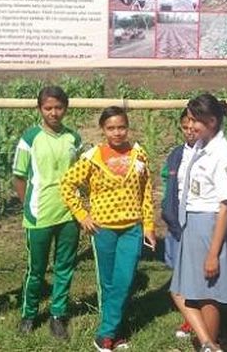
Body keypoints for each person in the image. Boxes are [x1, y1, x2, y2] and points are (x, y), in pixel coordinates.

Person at [60, 106, 156, 352]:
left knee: (124, 280)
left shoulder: (139, 155)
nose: (117, 133)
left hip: (131, 229)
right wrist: (82, 215)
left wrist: (149, 225)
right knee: (109, 282)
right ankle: (117, 331)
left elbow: (146, 192)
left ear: (128, 127)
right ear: (103, 130)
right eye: (111, 128)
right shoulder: (93, 157)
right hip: (103, 230)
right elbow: (67, 184)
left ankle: (104, 334)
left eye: (121, 127)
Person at [169, 93, 227, 352]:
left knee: (208, 294)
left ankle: (208, 344)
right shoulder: (201, 146)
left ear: (210, 121)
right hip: (194, 222)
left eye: (194, 121)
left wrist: (213, 253)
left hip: (210, 224)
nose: (190, 127)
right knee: (186, 290)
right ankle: (209, 344)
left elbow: (225, 206)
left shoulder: (222, 154)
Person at [12, 86, 81, 339]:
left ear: (66, 108)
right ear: (40, 109)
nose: (54, 112)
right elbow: (18, 176)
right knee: (36, 269)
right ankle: (29, 314)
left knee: (65, 266)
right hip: (39, 215)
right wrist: (27, 205)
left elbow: (80, 175)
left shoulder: (74, 138)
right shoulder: (30, 138)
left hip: (69, 215)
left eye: (59, 107)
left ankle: (57, 314)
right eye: (48, 108)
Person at [160, 108, 198, 340]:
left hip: (196, 222)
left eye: (194, 126)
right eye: (185, 127)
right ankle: (189, 316)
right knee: (178, 270)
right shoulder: (176, 154)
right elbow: (167, 181)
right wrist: (167, 208)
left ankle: (196, 319)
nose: (189, 131)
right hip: (175, 222)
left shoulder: (209, 153)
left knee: (196, 272)